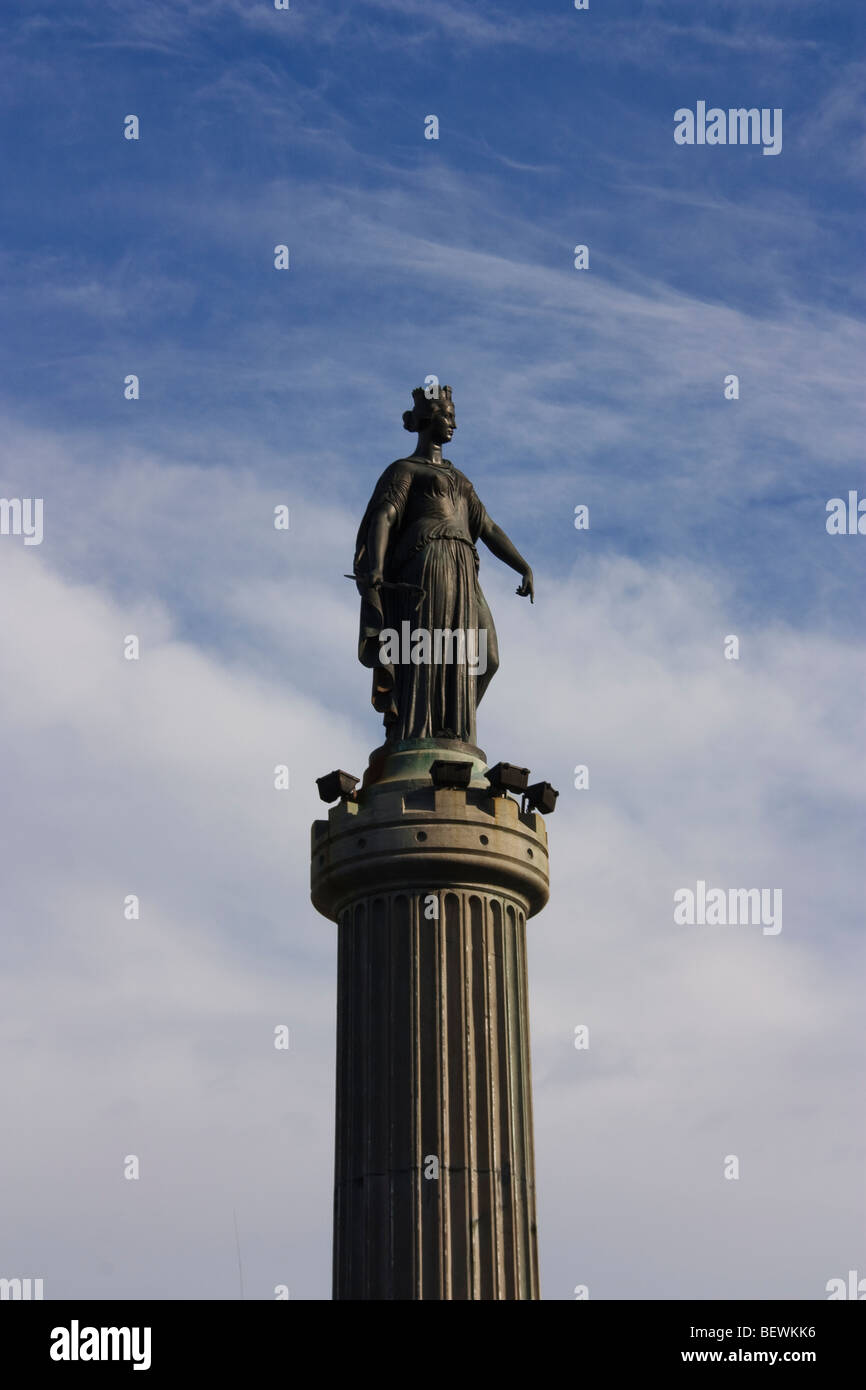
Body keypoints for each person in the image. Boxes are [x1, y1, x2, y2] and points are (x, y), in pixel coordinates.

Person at [353, 386, 534, 745]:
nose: (454, 423)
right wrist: (375, 565)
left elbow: (489, 527)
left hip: (464, 567)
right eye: (446, 416)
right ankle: (419, 730)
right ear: (425, 420)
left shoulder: (460, 479)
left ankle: (454, 725)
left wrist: (522, 566)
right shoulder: (405, 470)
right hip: (427, 562)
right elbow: (385, 517)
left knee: (487, 656)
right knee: (429, 648)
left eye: (452, 416)